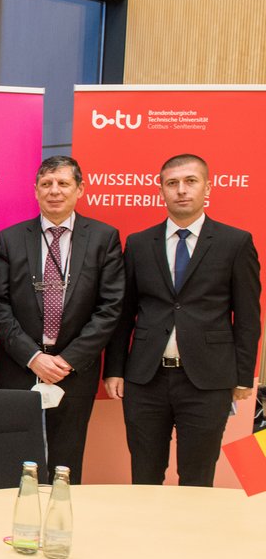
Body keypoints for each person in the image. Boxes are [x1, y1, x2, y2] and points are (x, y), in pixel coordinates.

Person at [104, 154, 261, 486]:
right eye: (172, 183)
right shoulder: (138, 243)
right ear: (161, 190)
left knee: (197, 477)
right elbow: (123, 313)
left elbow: (248, 316)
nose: (181, 190)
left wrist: (244, 374)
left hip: (208, 380)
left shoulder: (236, 242)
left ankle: (192, 539)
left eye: (190, 181)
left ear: (207, 187)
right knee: (144, 475)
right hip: (146, 379)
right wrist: (115, 369)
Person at [0, 156, 124, 484]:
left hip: (74, 370)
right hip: (20, 367)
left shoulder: (104, 238)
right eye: (46, 184)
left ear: (80, 190)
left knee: (66, 463)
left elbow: (110, 307)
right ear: (35, 191)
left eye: (63, 183)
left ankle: (60, 526)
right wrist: (34, 358)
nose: (54, 191)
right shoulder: (11, 238)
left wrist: (67, 359)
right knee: (16, 460)